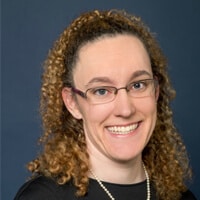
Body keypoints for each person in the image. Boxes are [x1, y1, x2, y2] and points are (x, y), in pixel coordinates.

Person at [14, 9, 196, 200]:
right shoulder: (43, 197)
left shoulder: (182, 197)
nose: (125, 109)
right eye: (101, 90)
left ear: (156, 91)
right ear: (72, 102)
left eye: (138, 85)